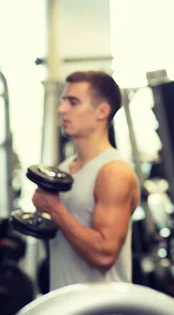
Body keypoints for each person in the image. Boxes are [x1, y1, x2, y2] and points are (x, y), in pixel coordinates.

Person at [32, 70, 140, 291]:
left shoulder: (113, 171)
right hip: (65, 305)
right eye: (64, 101)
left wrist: (55, 209)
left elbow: (104, 255)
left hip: (101, 309)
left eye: (73, 102)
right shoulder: (64, 169)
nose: (61, 109)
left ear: (102, 111)